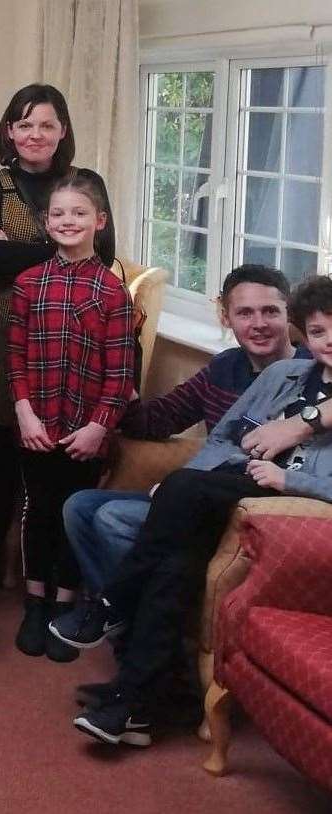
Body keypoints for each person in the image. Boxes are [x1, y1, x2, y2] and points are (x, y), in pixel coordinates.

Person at [57, 276, 332, 748]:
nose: (329, 341)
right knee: (174, 562)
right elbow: (223, 436)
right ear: (305, 333)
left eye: (270, 312)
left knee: (167, 514)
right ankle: (137, 699)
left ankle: (111, 608)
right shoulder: (280, 378)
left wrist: (290, 477)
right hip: (220, 493)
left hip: (283, 512)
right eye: (320, 332)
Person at [66, 266, 312, 597]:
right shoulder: (224, 368)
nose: (259, 324)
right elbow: (158, 420)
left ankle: (120, 611)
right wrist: (117, 382)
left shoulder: (314, 371)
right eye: (245, 313)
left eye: (270, 311)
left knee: (112, 517)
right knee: (79, 507)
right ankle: (120, 616)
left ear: (290, 315)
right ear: (226, 318)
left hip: (251, 508)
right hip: (194, 494)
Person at [0, 84, 116, 599]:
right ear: (10, 131)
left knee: (55, 470)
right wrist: (55, 249)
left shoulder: (86, 183)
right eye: (25, 124)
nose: (35, 134)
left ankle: (57, 578)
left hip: (71, 347)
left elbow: (103, 252)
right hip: (2, 343)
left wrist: (21, 249)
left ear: (63, 131)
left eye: (46, 124)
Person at [6, 173, 134, 663]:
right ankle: (36, 601)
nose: (67, 221)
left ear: (98, 221)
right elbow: (15, 357)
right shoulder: (28, 284)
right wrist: (23, 412)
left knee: (72, 514)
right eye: (58, 213)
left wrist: (99, 425)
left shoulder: (112, 294)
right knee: (38, 511)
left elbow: (120, 373)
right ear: (45, 221)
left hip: (85, 429)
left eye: (79, 213)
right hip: (36, 425)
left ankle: (65, 602)